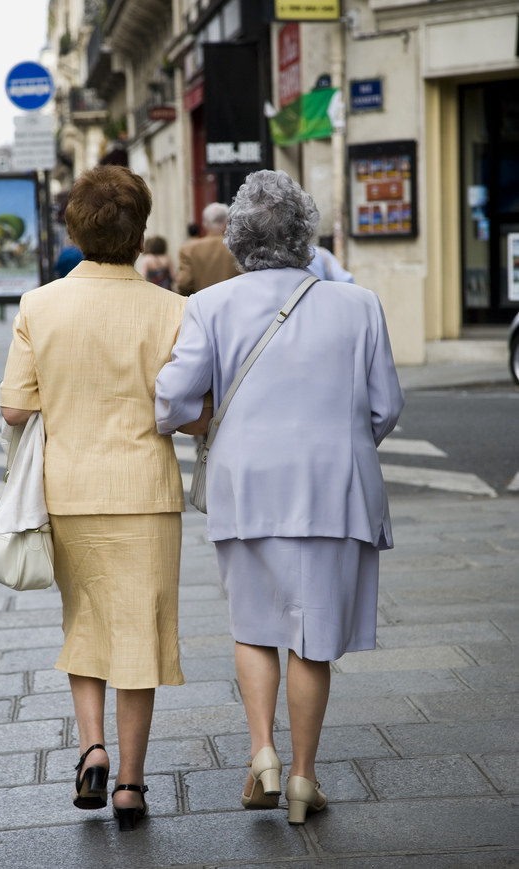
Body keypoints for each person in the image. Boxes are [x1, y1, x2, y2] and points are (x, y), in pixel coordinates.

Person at [155, 170, 404, 825]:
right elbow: (386, 408)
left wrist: (220, 425)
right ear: (305, 237)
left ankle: (261, 752)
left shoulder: (209, 306)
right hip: (334, 490)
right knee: (313, 640)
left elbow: (172, 402)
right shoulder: (360, 305)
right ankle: (301, 777)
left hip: (247, 486)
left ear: (236, 238)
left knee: (255, 626)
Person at [0, 165, 205, 832]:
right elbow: (193, 413)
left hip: (70, 491)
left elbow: (13, 407)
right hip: (146, 493)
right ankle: (130, 785)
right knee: (138, 634)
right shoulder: (173, 309)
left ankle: (91, 747)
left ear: (74, 228)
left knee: (84, 623)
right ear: (140, 235)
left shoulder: (39, 305)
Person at [176, 202, 240, 295]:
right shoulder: (237, 247)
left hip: (201, 306)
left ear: (204, 224)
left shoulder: (188, 249)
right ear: (226, 223)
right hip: (232, 305)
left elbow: (183, 284)